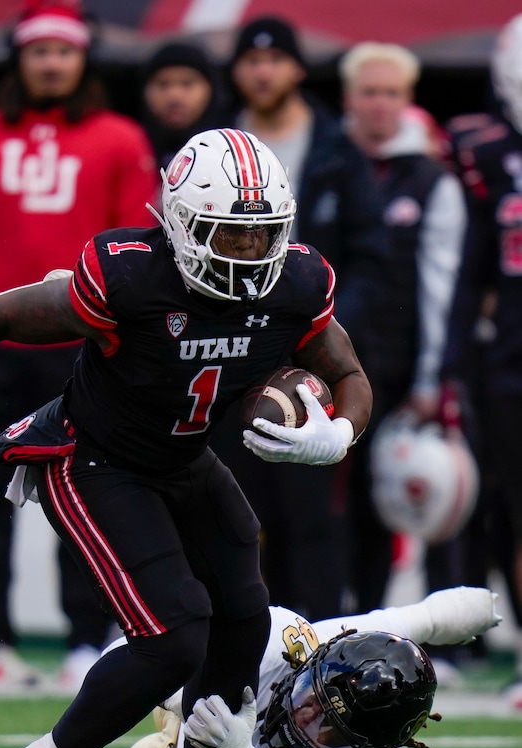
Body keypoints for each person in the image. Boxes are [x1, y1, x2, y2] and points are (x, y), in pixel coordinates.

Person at [0, 126, 373, 748]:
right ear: (180, 222)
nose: (248, 253)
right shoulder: (130, 276)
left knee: (244, 613)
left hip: (182, 458)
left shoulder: (299, 283)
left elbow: (349, 374)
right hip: (89, 457)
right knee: (176, 632)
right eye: (226, 233)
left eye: (262, 234)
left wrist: (337, 434)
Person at [0, 3, 159, 693]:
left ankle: (88, 637)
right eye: (39, 51)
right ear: (19, 59)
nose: (51, 62)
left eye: (63, 50)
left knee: (83, 496)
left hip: (83, 348)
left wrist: (124, 343)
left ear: (82, 58)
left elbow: (138, 247)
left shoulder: (119, 138)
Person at [210, 16, 389, 620]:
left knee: (313, 514)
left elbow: (373, 255)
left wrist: (323, 331)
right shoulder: (216, 145)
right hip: (231, 356)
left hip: (313, 355)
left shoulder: (337, 147)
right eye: (252, 60)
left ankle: (316, 647)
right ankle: (245, 653)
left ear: (298, 68)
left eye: (276, 59)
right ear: (237, 69)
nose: (264, 71)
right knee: (236, 514)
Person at [110, 585, 501, 748]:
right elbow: (408, 622)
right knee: (160, 739)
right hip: (243, 703)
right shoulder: (293, 645)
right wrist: (181, 694)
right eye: (312, 698)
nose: (306, 717)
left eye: (330, 727)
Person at [337, 43, 469, 630]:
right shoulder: (325, 162)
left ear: (408, 99)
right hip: (321, 364)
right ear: (350, 97)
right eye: (370, 91)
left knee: (383, 502)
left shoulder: (430, 177)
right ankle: (308, 625)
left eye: (391, 92)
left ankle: (374, 623)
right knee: (318, 505)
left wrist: (431, 376)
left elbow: (442, 283)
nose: (380, 104)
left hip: (394, 368)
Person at [441, 14, 522, 710]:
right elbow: (470, 267)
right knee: (510, 511)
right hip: (510, 355)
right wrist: (454, 359)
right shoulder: (486, 150)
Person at [140, 40, 227, 171]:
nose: (174, 96)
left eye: (187, 83)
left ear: (210, 88)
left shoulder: (230, 149)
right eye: (163, 84)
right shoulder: (128, 147)